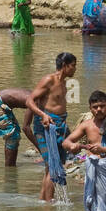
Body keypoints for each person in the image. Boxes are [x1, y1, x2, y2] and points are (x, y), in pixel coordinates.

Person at [25, 53, 76, 201]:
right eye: (73, 65)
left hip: (59, 126)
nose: (75, 69)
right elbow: (29, 101)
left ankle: (43, 201)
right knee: (52, 167)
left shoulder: (64, 83)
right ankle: (48, 207)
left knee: (52, 167)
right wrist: (43, 115)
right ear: (65, 65)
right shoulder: (49, 80)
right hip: (46, 127)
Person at [0, 87, 32, 166]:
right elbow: (26, 127)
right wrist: (41, 150)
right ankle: (9, 169)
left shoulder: (41, 97)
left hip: (2, 103)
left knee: (15, 133)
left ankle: (11, 167)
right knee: (13, 137)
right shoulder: (35, 101)